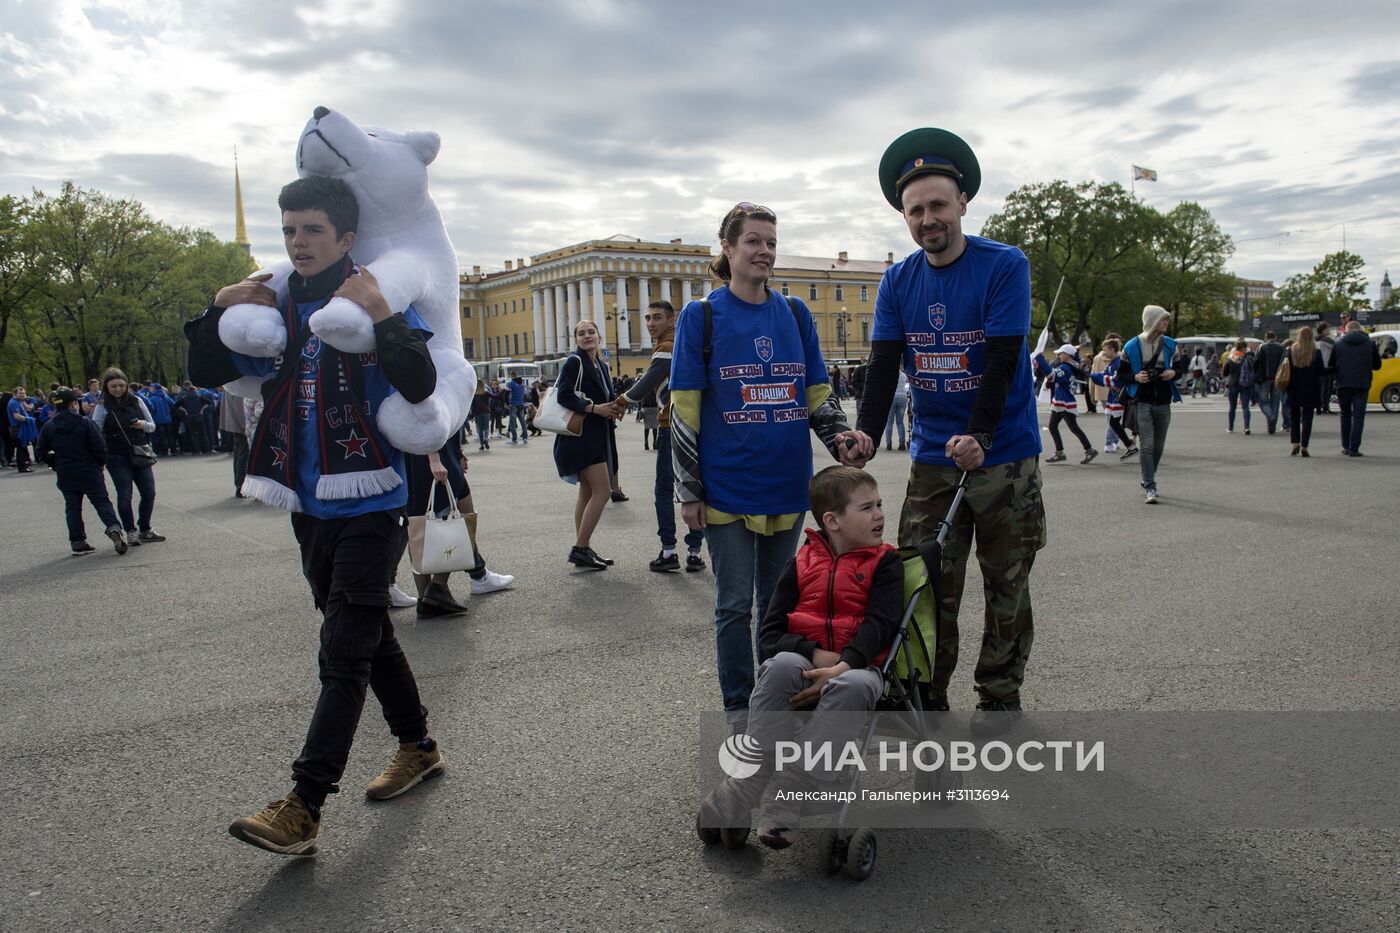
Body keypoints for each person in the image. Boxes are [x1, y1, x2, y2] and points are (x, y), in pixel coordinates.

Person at [186, 174, 445, 856]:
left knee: (341, 655)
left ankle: (303, 804)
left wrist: (385, 316)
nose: (298, 242)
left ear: (346, 238)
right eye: (290, 229)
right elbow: (206, 368)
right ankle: (418, 745)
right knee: (361, 633)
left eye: (313, 230)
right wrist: (216, 305)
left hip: (374, 501)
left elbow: (421, 381)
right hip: (306, 501)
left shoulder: (365, 296)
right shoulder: (272, 300)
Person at [857, 128, 1046, 730]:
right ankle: (926, 696)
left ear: (962, 203)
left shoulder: (1003, 265)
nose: (927, 218)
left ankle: (999, 695)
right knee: (926, 583)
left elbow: (1001, 361)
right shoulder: (898, 281)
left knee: (1005, 583)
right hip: (934, 460)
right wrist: (864, 433)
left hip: (1003, 456)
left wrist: (981, 436)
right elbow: (885, 366)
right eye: (915, 210)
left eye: (938, 205)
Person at [671, 201, 871, 727]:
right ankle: (740, 707)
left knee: (778, 609)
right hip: (726, 489)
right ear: (728, 248)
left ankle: (773, 700)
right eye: (753, 241)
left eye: (771, 242)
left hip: (787, 486)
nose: (764, 251)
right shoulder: (702, 316)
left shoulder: (796, 313)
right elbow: (685, 409)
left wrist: (840, 441)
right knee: (734, 607)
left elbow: (817, 394)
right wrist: (688, 490)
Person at [696, 465, 901, 847]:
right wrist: (819, 657)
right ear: (832, 520)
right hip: (811, 664)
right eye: (867, 507)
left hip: (861, 665)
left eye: (880, 505)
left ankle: (792, 786)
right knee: (778, 666)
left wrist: (843, 664)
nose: (879, 515)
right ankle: (751, 776)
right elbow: (771, 634)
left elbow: (881, 625)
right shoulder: (802, 562)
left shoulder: (886, 563)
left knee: (853, 685)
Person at [620, 299, 705, 572]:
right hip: (695, 425)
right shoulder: (682, 343)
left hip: (672, 427)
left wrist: (619, 403)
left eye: (657, 318)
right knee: (698, 487)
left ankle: (669, 551)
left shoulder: (667, 347)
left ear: (671, 321)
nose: (650, 324)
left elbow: (646, 383)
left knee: (664, 490)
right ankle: (695, 551)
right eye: (647, 318)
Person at [553, 319, 625, 570]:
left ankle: (583, 547)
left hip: (597, 436)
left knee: (587, 494)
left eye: (590, 332)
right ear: (576, 340)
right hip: (580, 438)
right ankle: (580, 548)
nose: (586, 336)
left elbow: (606, 397)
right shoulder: (575, 362)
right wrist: (594, 408)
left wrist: (615, 407)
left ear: (598, 337)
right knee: (603, 492)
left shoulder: (602, 366)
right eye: (581, 333)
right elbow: (564, 394)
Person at [34, 387, 128, 555]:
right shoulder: (84, 422)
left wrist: (54, 462)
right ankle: (113, 527)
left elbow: (40, 451)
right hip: (89, 469)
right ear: (73, 404)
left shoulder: (49, 426)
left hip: (65, 471)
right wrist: (100, 463)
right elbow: (100, 446)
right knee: (102, 502)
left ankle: (78, 541)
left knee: (73, 507)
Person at [92, 368, 166, 546]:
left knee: (149, 492)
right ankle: (130, 530)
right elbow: (95, 430)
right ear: (107, 387)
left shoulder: (137, 400)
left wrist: (142, 425)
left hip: (139, 451)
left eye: (121, 385)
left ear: (126, 385)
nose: (118, 389)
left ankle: (145, 528)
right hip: (116, 455)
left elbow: (152, 425)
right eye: (113, 386)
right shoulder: (102, 406)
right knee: (125, 495)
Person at [1119, 305, 1180, 503]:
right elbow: (1121, 375)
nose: (1166, 323)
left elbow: (1180, 366)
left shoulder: (1171, 344)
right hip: (1142, 401)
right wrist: (1136, 376)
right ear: (1152, 321)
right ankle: (1150, 484)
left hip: (1164, 401)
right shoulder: (1131, 346)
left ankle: (1148, 477)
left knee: (1159, 445)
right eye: (1163, 319)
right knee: (1147, 444)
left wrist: (1173, 373)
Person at [1331, 320, 1383, 456]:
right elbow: (1377, 365)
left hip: (1343, 384)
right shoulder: (1370, 344)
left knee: (1345, 415)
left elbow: (1331, 365)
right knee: (1358, 417)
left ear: (1346, 330)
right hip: (1362, 383)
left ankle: (1345, 446)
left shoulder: (1338, 344)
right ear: (1360, 330)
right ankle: (1354, 448)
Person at [1045, 344, 1098, 464]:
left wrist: (1039, 358)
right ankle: (1060, 452)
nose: (1059, 355)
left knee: (1072, 427)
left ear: (1068, 355)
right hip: (1061, 400)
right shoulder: (1071, 365)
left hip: (1064, 401)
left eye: (1061, 353)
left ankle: (1089, 450)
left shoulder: (1064, 367)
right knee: (1054, 426)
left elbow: (1052, 374)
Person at [1089, 338, 1137, 458]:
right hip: (1114, 396)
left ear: (1112, 349)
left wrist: (1094, 376)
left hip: (1119, 397)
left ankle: (1127, 445)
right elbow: (1106, 376)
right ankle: (1129, 445)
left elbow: (1115, 380)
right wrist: (1094, 376)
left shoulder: (1118, 362)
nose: (1104, 353)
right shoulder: (1114, 362)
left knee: (1114, 422)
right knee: (1114, 422)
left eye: (1105, 350)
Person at [1284, 325, 1325, 457]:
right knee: (1308, 417)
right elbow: (1321, 371)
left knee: (1294, 416)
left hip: (1294, 387)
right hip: (1310, 388)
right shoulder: (1315, 352)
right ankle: (1304, 445)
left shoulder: (1291, 350)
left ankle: (1295, 443)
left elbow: (1285, 368)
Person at [1253, 331, 1286, 434]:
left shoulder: (1261, 347)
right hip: (1278, 378)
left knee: (1263, 401)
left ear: (1265, 337)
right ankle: (1272, 424)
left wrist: (1256, 376)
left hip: (1264, 378)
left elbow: (1255, 362)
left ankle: (1270, 416)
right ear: (1275, 337)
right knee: (1275, 401)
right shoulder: (1281, 348)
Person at [1221, 339, 1255, 435]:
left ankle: (1231, 427)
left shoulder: (1231, 357)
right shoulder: (1248, 357)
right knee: (1245, 407)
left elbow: (1225, 372)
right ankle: (1246, 427)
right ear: (1245, 347)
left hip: (1233, 383)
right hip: (1245, 384)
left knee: (1232, 407)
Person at [7, 386, 37, 473]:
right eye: (20, 393)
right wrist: (29, 419)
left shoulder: (18, 402)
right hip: (18, 428)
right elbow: (17, 416)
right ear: (15, 394)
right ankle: (22, 467)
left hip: (20, 428)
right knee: (20, 448)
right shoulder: (14, 403)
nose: (23, 395)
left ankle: (25, 465)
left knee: (23, 447)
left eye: (23, 393)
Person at [884, 366, 908, 451]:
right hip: (902, 398)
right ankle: (902, 443)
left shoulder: (888, 374)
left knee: (889, 422)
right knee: (900, 422)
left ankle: (889, 443)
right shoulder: (904, 375)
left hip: (891, 398)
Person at [1315, 322, 1335, 414]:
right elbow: (1336, 346)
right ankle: (1325, 406)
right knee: (1327, 387)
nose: (1329, 330)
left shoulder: (1315, 339)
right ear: (1323, 330)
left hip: (1317, 366)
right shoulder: (1326, 340)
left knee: (1319, 387)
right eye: (1328, 328)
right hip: (1327, 366)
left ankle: (1319, 406)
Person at [505, 373, 528, 446]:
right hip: (521, 404)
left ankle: (514, 439)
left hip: (513, 404)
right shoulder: (522, 384)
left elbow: (506, 394)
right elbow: (524, 394)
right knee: (522, 422)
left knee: (512, 423)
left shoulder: (511, 384)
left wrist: (506, 403)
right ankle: (525, 437)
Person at [470, 382, 492, 451]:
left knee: (480, 429)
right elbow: (495, 396)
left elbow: (472, 406)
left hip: (477, 413)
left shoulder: (474, 394)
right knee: (486, 427)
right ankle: (486, 438)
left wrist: (472, 415)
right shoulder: (486, 392)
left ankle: (481, 445)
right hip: (486, 412)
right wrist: (503, 391)